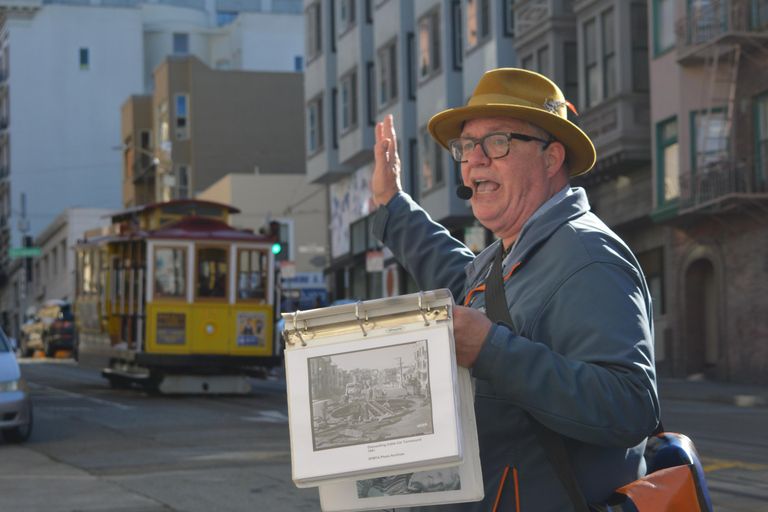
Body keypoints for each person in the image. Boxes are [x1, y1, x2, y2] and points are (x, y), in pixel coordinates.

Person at [371, 68, 660, 511]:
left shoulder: (589, 257)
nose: (474, 159)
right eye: (466, 146)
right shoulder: (509, 250)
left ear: (551, 157)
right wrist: (394, 204)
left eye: (498, 141)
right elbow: (461, 280)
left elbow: (631, 406)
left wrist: (490, 350)